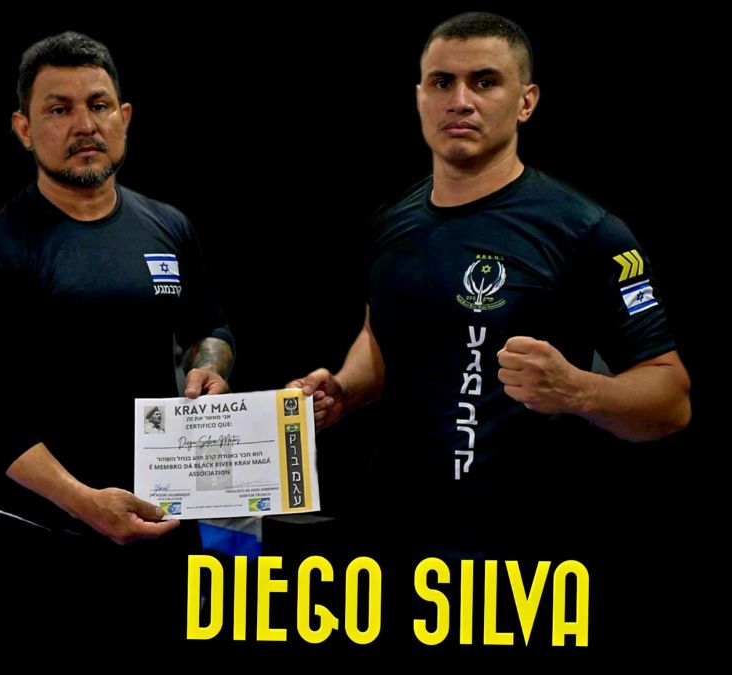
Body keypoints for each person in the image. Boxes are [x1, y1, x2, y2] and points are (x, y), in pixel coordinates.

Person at [289, 12, 691, 559]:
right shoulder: (392, 222)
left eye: (484, 82)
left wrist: (578, 390)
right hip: (394, 531)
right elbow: (381, 336)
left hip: (525, 552)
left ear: (526, 101)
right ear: (419, 98)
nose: (460, 101)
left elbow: (672, 401)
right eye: (442, 83)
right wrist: (344, 387)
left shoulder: (587, 232)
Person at [0, 32, 233, 646]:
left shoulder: (168, 225)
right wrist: (85, 504)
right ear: (24, 129)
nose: (85, 125)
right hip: (49, 538)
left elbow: (209, 328)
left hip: (166, 525)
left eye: (98, 105)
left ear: (123, 116)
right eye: (59, 109)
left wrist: (209, 365)